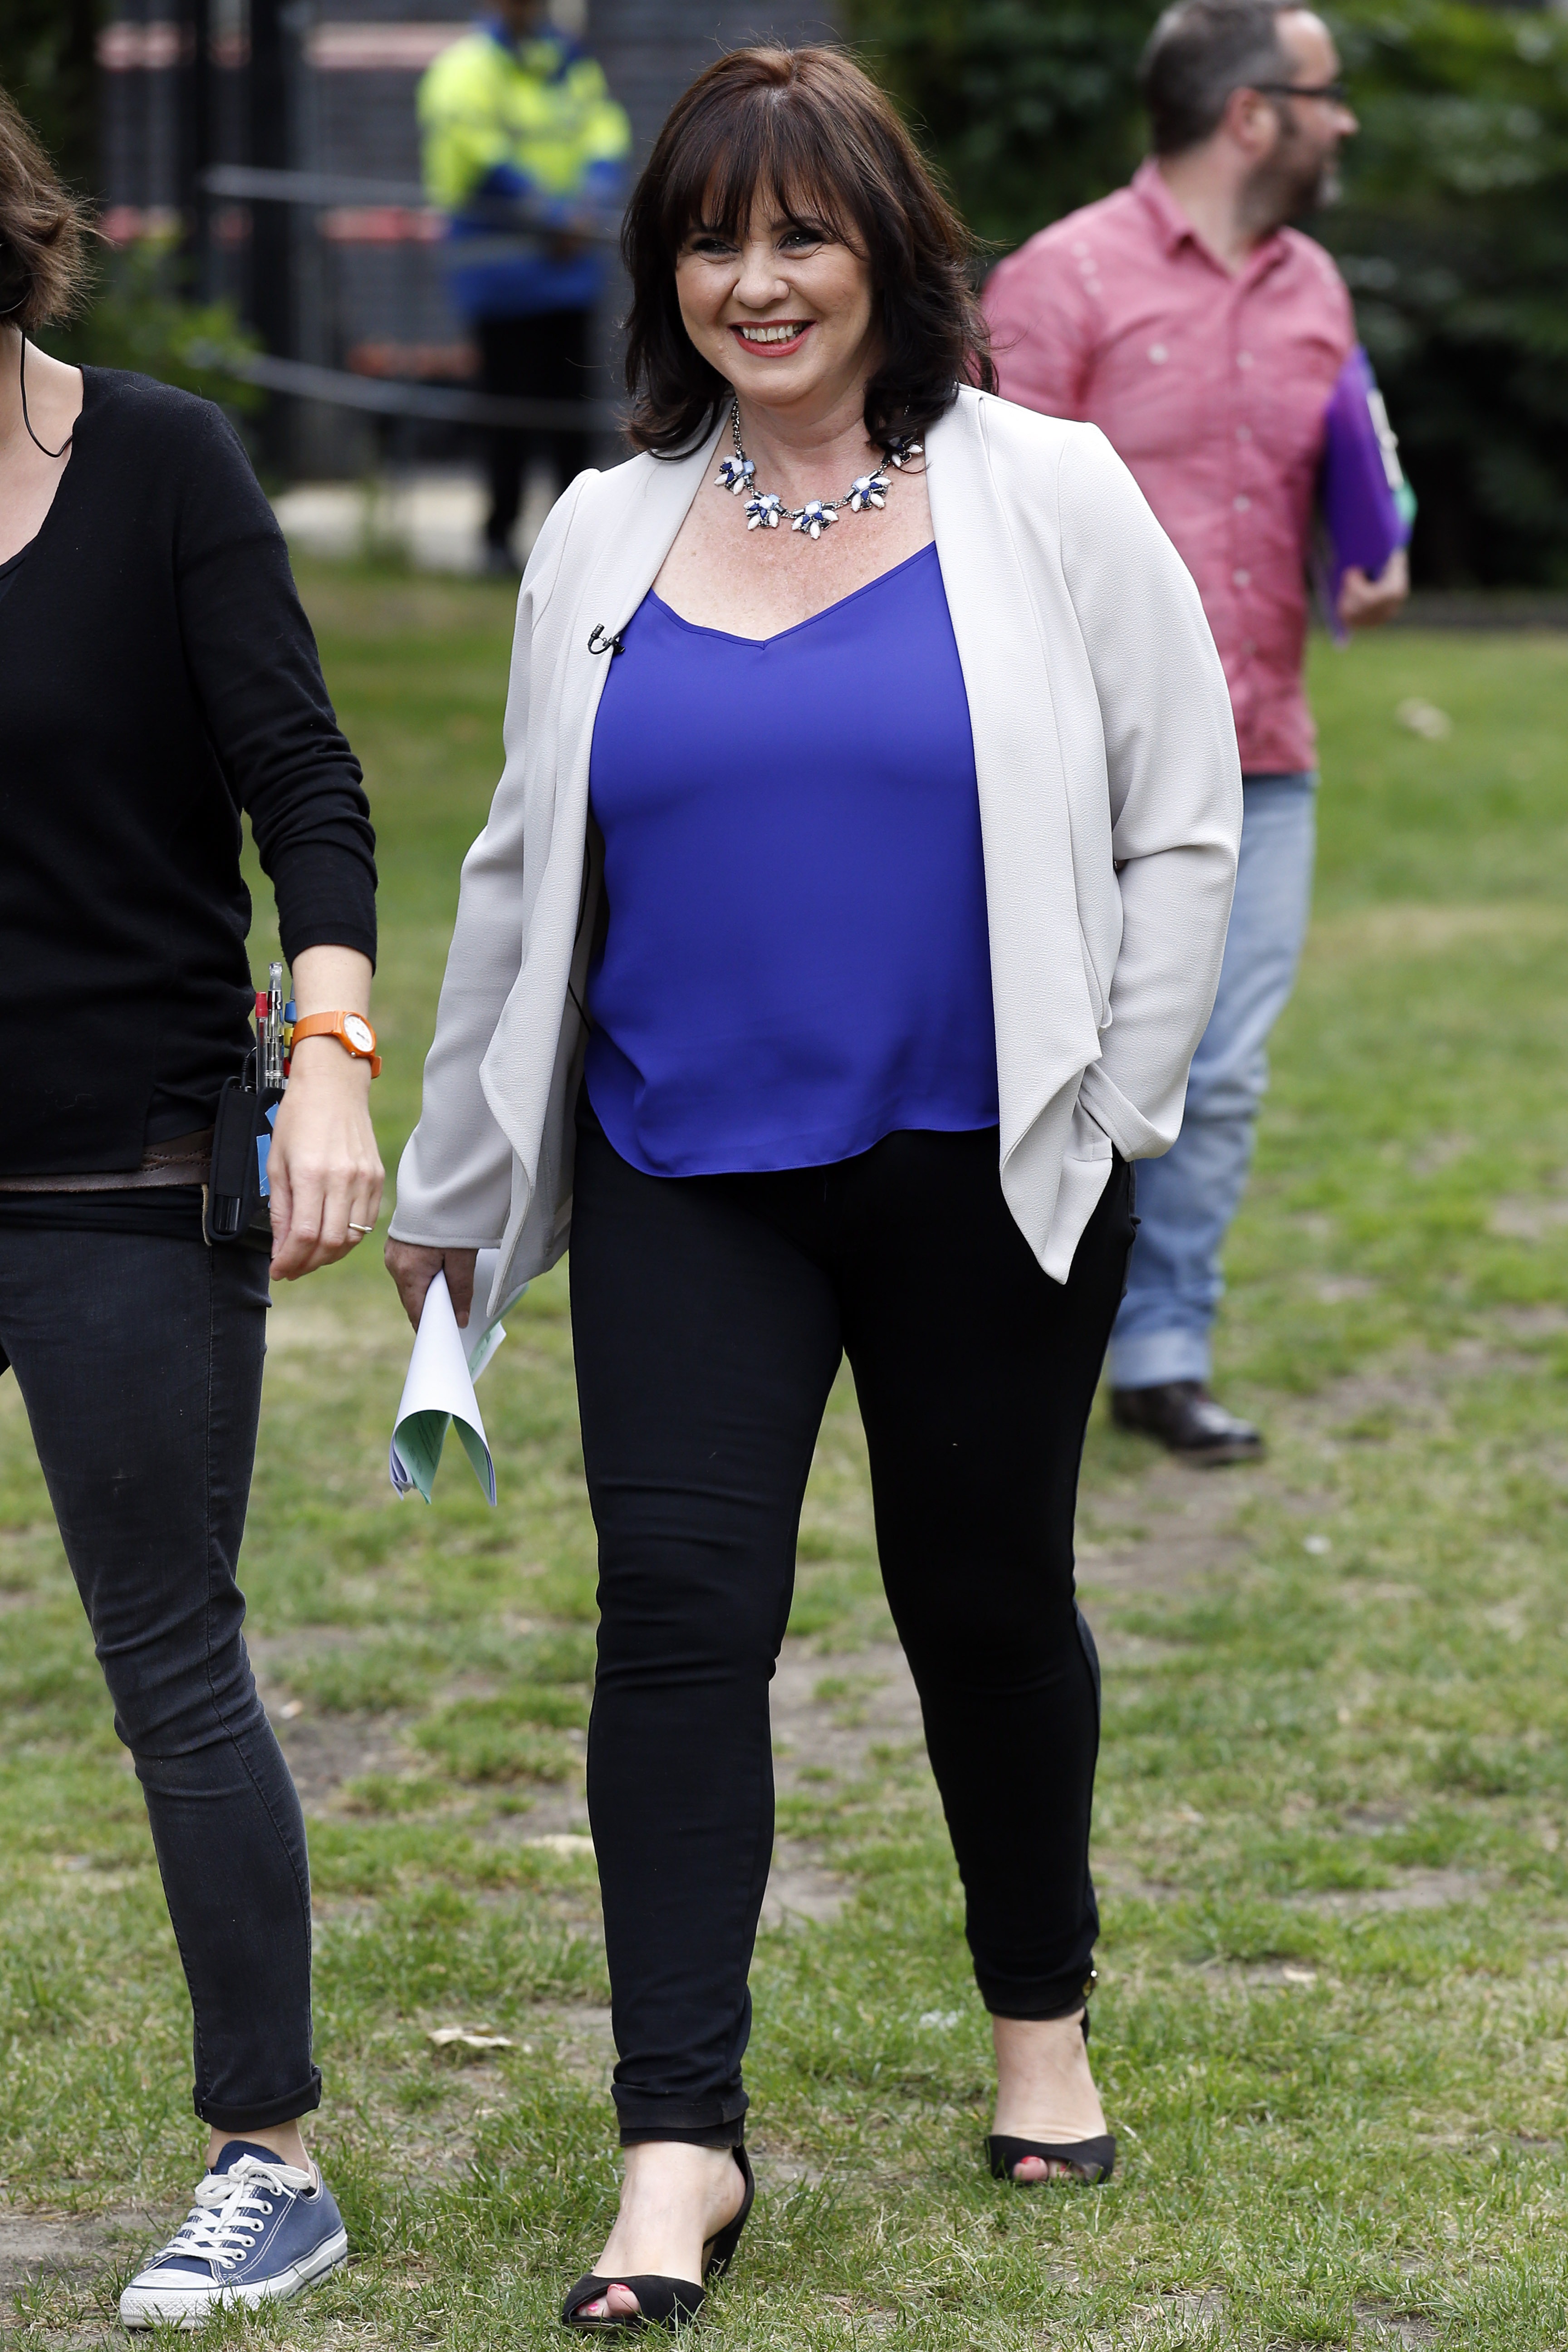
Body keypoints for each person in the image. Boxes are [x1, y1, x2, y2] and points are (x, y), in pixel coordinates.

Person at [387, 44, 1240, 2332]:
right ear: (666, 271)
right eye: (709, 237)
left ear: (885, 252)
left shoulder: (1041, 491)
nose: (754, 280)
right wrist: (456, 1184)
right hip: (684, 1167)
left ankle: (1036, 2021)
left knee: (982, 1599)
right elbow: (514, 871)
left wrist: (1123, 1098)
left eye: (799, 234)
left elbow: (1182, 814)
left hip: (987, 1163)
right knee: (676, 1620)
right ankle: (679, 2147)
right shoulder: (596, 526)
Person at [0, 86, 384, 2328]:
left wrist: (324, 1057)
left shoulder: (157, 466)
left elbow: (308, 790)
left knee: (170, 1671)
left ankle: (269, 2157)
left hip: (127, 1167)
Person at [985, 0, 1408, 1465]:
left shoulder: (1313, 292)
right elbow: (982, 516)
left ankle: (1162, 1349)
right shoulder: (1060, 284)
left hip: (1260, 752)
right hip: (1078, 763)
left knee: (1215, 1073)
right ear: (1250, 114)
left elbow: (1350, 455)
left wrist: (1370, 539)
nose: (1339, 118)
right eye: (1322, 93)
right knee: (1055, 1052)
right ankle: (1029, 1329)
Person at [418, 0, 631, 572]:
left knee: (570, 413)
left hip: (568, 274)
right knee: (507, 413)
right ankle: (498, 541)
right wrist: (551, 215)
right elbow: (476, 153)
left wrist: (587, 202)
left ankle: (578, 544)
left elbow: (605, 134)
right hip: (503, 276)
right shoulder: (465, 68)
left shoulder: (566, 62)